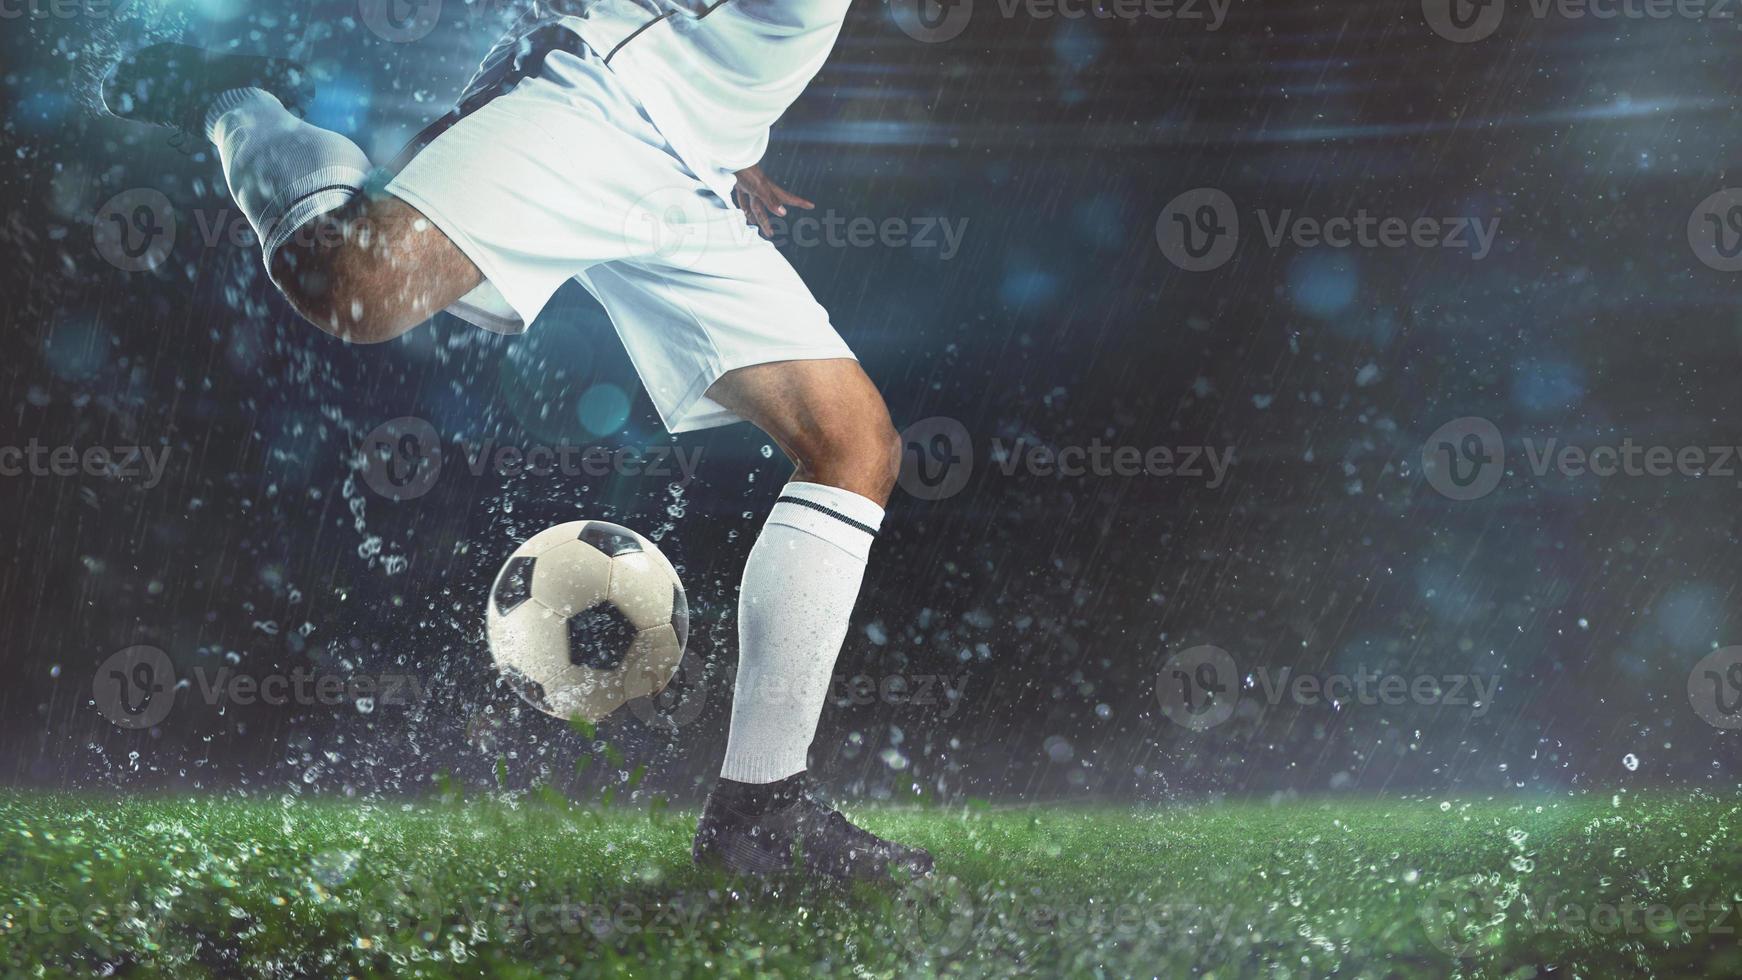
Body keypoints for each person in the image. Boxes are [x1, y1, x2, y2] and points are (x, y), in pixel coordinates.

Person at [101, 0, 931, 882]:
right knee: (352, 281)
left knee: (854, 445)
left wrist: (737, 133)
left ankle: (761, 815)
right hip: (600, 93)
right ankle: (237, 100)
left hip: (691, 168)